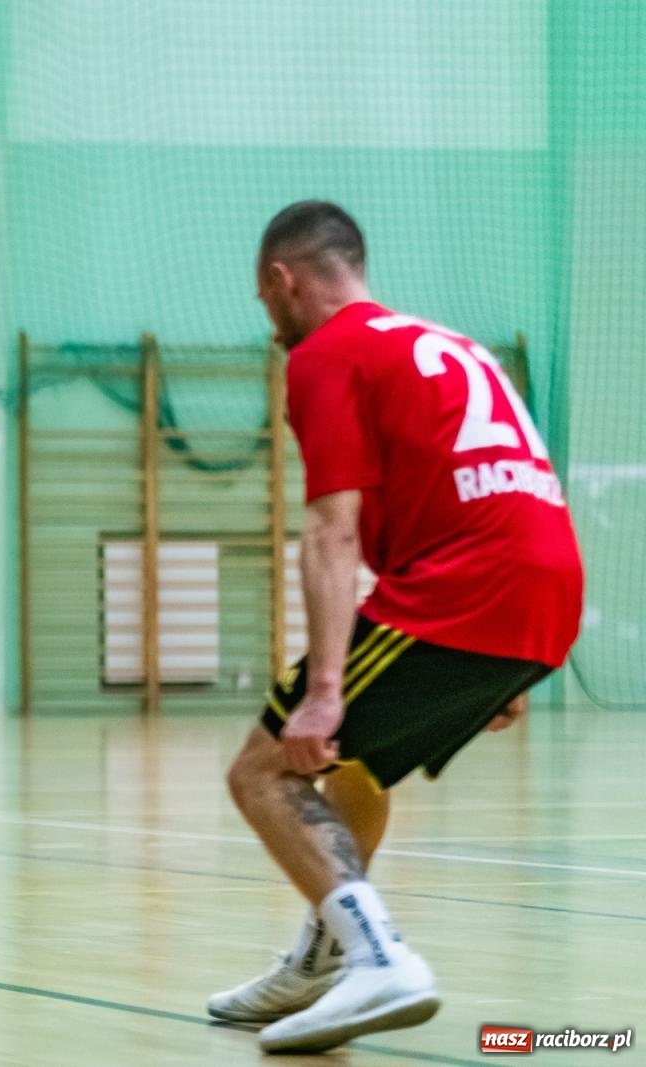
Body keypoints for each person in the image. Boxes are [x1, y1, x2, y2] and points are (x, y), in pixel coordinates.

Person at [211, 201, 583, 1053]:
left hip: (472, 585)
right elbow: (506, 483)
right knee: (357, 766)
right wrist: (507, 666)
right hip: (544, 584)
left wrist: (324, 689)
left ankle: (379, 958)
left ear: (283, 280)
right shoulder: (450, 345)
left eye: (266, 301)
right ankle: (323, 959)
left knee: (264, 770)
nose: (271, 322)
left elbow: (329, 530)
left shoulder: (326, 353)